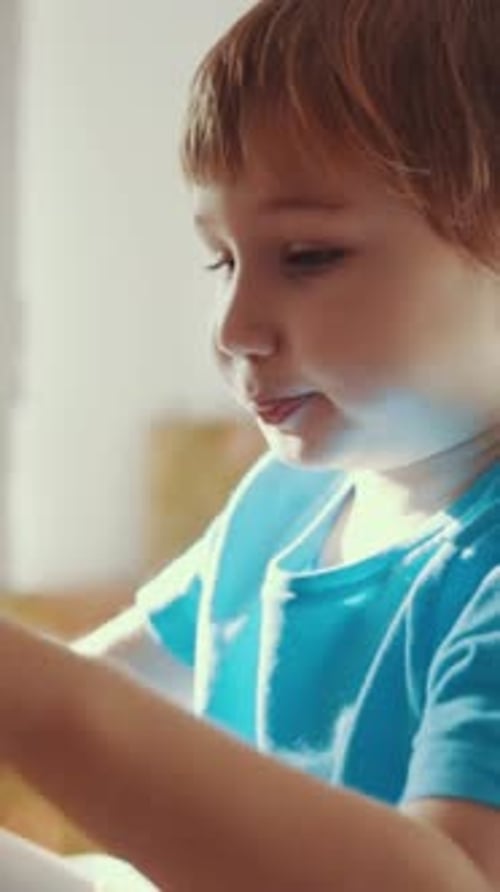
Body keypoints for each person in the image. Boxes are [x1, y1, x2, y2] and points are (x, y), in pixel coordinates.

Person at [0, 1, 499, 889]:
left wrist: (31, 691)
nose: (234, 329)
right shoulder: (288, 498)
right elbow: (119, 690)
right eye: (221, 260)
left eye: (308, 255)